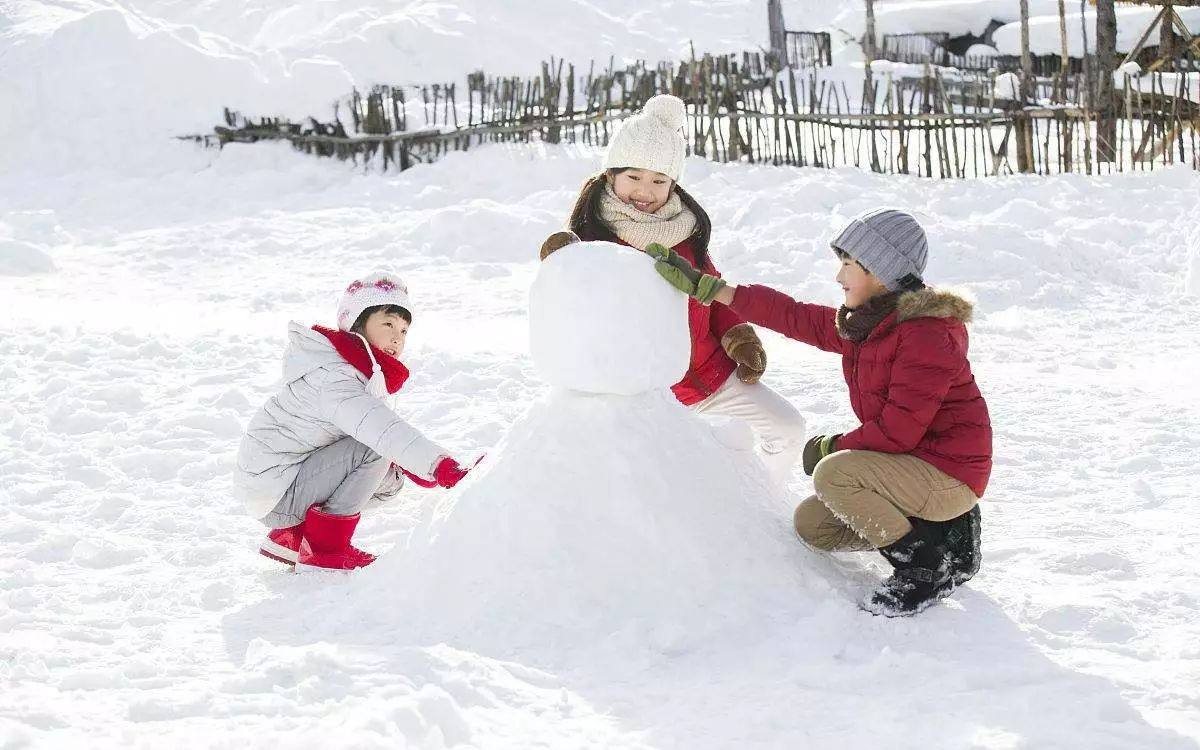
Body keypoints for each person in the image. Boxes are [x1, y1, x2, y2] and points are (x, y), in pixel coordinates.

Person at [649, 208, 991, 616]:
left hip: (948, 473)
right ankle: (948, 536)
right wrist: (714, 289)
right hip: (912, 466)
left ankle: (925, 567)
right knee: (814, 525)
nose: (839, 276)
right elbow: (795, 316)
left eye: (848, 265)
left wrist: (833, 446)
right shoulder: (872, 322)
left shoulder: (925, 334)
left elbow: (898, 432)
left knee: (836, 474)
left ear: (881, 273)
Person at [566, 94, 806, 485]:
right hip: (642, 396)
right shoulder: (593, 240)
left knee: (788, 428)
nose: (645, 190)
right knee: (647, 480)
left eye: (659, 180)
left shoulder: (684, 231)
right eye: (634, 177)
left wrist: (736, 335)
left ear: (673, 183)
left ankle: (761, 499)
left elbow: (712, 292)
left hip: (709, 374)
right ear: (611, 175)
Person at [234, 270, 477, 571]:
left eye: (403, 330)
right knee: (376, 451)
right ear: (358, 325)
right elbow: (383, 432)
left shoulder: (356, 372)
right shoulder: (336, 379)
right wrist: (441, 468)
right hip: (275, 490)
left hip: (282, 481)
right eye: (388, 323)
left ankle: (293, 537)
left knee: (389, 480)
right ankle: (325, 549)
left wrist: (415, 467)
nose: (396, 337)